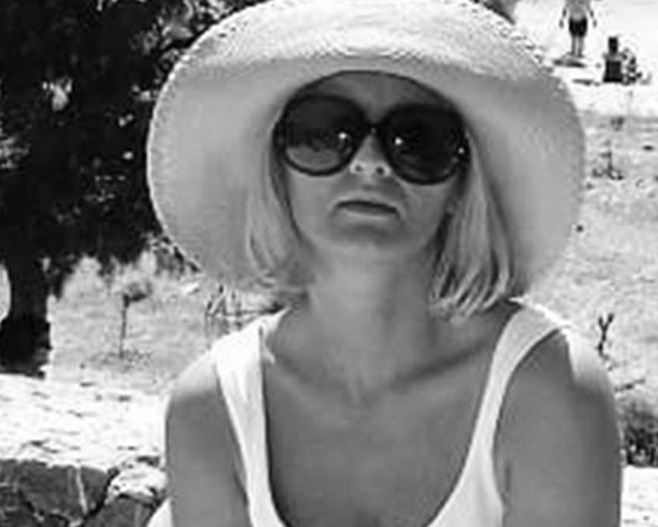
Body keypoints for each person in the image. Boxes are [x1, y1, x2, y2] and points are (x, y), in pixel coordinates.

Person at [145, 0, 621, 526]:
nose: (369, 163)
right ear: (276, 169)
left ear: (462, 184)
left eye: (419, 140)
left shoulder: (548, 392)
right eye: (322, 133)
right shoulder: (213, 408)